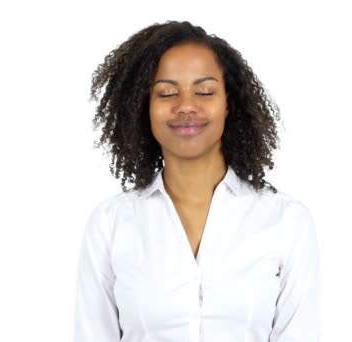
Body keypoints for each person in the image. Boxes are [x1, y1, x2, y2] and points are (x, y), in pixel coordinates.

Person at [74, 20, 320, 342]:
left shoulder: (286, 222)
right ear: (142, 107)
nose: (186, 105)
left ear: (229, 103)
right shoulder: (110, 225)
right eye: (167, 92)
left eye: (204, 91)